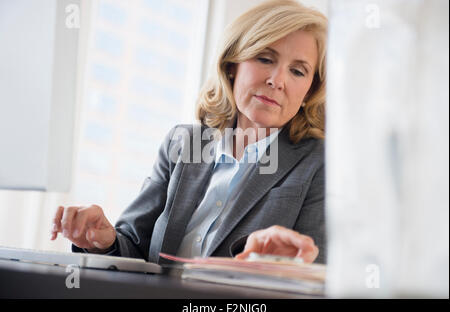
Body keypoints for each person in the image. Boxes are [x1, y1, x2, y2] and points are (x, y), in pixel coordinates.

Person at [50, 0, 328, 264]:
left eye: (298, 71)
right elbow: (134, 248)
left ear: (309, 91)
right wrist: (102, 240)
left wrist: (276, 263)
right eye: (265, 58)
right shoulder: (183, 143)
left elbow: (318, 271)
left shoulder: (321, 162)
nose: (277, 80)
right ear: (232, 65)